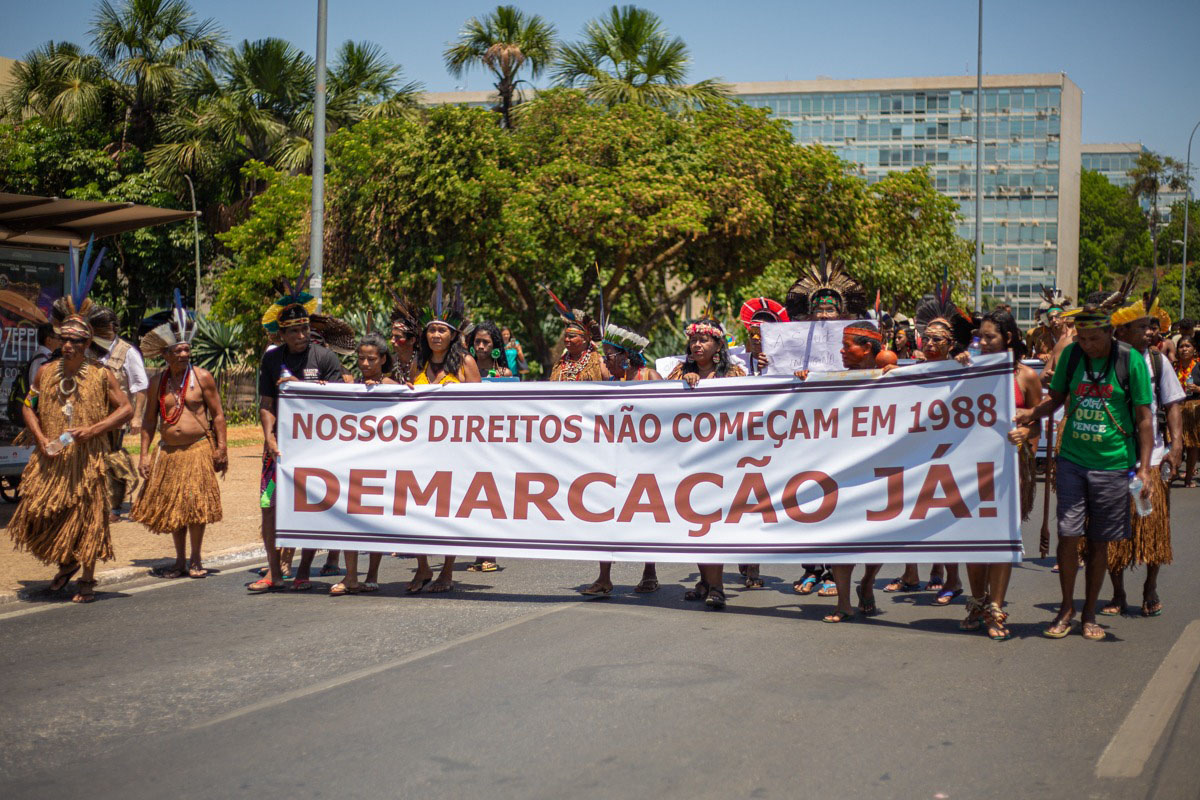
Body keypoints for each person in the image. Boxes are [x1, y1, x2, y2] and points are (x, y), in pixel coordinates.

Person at [1015, 283, 1155, 641]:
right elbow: (1056, 399)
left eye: (1094, 338)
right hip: (1073, 460)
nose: (1087, 345)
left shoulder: (1130, 361)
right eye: (1082, 338)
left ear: (1109, 332)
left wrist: (1143, 469)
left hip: (1112, 464)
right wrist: (1030, 414)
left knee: (1099, 540)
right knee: (1068, 533)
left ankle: (1089, 612)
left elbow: (1143, 419)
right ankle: (1066, 608)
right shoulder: (1074, 356)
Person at [8, 297, 133, 603]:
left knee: (89, 516)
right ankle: (67, 562)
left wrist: (92, 430)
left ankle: (87, 580)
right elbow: (28, 405)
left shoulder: (102, 375)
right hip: (50, 458)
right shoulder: (45, 372)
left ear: (88, 341)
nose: (68, 345)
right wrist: (39, 437)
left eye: (75, 340)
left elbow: (126, 409)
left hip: (88, 459)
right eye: (64, 339)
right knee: (39, 514)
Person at [248, 277, 348, 593]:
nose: (301, 335)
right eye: (294, 330)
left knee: (311, 508)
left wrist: (326, 393)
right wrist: (270, 437)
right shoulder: (271, 359)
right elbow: (266, 403)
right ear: (282, 333)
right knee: (269, 505)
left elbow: (339, 404)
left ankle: (303, 570)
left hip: (316, 450)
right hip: (278, 450)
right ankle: (274, 572)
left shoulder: (325, 358)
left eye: (304, 328)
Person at [784, 249, 868, 597]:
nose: (823, 312)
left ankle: (836, 572)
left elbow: (873, 373)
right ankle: (811, 569)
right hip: (804, 433)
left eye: (830, 307)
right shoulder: (790, 342)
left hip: (843, 432)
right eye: (818, 307)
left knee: (838, 503)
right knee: (805, 501)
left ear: (842, 311)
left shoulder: (860, 342)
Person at [883, 283, 973, 603]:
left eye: (939, 339)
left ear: (952, 343)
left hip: (950, 454)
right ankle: (911, 573)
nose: (932, 343)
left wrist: (967, 365)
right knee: (911, 512)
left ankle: (950, 577)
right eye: (928, 338)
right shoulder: (916, 368)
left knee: (945, 516)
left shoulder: (965, 369)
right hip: (917, 452)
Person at [1096, 293, 1183, 618]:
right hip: (1113, 457)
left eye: (1152, 327)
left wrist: (1176, 446)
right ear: (1121, 332)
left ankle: (1150, 588)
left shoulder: (1159, 362)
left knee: (1154, 528)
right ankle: (1117, 593)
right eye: (1142, 327)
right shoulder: (1105, 360)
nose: (1151, 332)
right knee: (1111, 533)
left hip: (1154, 457)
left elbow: (1173, 403)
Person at [959, 310, 1042, 640]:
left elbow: (1038, 415)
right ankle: (977, 603)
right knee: (974, 538)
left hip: (1010, 467)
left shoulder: (1025, 376)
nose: (983, 342)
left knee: (1002, 536)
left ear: (1008, 338)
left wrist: (1027, 434)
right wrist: (958, 364)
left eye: (989, 336)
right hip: (972, 467)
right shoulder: (972, 369)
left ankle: (995, 607)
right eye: (980, 336)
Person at [132, 296, 227, 579]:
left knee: (195, 504)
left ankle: (197, 559)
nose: (184, 355)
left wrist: (221, 448)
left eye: (187, 350)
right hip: (170, 453)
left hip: (197, 448)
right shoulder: (157, 382)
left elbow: (218, 415)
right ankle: (179, 560)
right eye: (178, 351)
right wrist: (144, 455)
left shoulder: (203, 378)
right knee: (175, 506)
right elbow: (150, 420)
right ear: (166, 355)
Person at [406, 279, 481, 594]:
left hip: (456, 451)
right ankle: (423, 567)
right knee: (414, 509)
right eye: (432, 331)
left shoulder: (465, 363)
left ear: (454, 335)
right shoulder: (417, 365)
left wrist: (459, 392)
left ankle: (447, 571)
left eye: (443, 331)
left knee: (449, 512)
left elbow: (483, 406)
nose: (436, 335)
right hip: (421, 450)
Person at [580, 323, 663, 597]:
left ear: (626, 356)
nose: (605, 361)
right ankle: (604, 578)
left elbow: (669, 414)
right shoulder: (609, 383)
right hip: (613, 460)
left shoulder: (649, 376)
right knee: (606, 519)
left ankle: (649, 572)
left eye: (609, 355)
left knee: (646, 518)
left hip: (645, 460)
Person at [670, 317, 746, 610]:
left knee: (711, 526)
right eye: (693, 340)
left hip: (723, 462)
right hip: (687, 461)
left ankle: (717, 587)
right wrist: (684, 385)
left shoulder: (735, 374)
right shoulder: (679, 373)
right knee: (694, 527)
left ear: (718, 346)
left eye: (704, 340)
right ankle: (705, 582)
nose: (697, 344)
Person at [819, 321, 888, 622]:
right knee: (842, 538)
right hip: (843, 470)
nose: (842, 351)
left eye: (848, 346)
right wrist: (803, 382)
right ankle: (844, 602)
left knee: (881, 538)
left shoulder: (893, 377)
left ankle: (869, 580)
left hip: (881, 468)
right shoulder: (836, 380)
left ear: (868, 349)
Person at [329, 332, 398, 596]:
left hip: (382, 461)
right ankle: (351, 576)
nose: (365, 364)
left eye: (371, 359)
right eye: (361, 358)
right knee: (350, 519)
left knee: (375, 521)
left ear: (382, 359)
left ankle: (372, 574)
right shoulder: (350, 384)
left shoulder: (393, 387)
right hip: (354, 461)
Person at [90, 307, 148, 522]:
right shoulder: (90, 349)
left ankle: (113, 508)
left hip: (115, 419)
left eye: (100, 329)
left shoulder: (127, 352)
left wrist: (137, 416)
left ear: (112, 328)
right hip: (90, 418)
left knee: (113, 459)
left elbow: (140, 386)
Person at [465, 320, 510, 573]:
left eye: (486, 343)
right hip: (468, 443)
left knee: (490, 499)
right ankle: (478, 551)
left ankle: (490, 551)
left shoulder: (504, 374)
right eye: (477, 342)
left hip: (495, 444)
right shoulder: (461, 371)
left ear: (495, 347)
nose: (480, 347)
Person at [547, 290, 610, 382]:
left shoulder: (599, 362)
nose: (566, 339)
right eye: (566, 336)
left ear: (585, 338)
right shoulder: (560, 363)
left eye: (571, 336)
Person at [1177, 337, 1200, 487]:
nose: (1184, 349)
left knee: (1192, 445)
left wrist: (1198, 389)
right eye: (1181, 346)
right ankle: (1173, 472)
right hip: (1176, 409)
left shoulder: (1198, 367)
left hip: (1194, 410)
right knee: (1176, 443)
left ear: (1194, 350)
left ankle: (1188, 478)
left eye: (1188, 346)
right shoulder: (1172, 367)